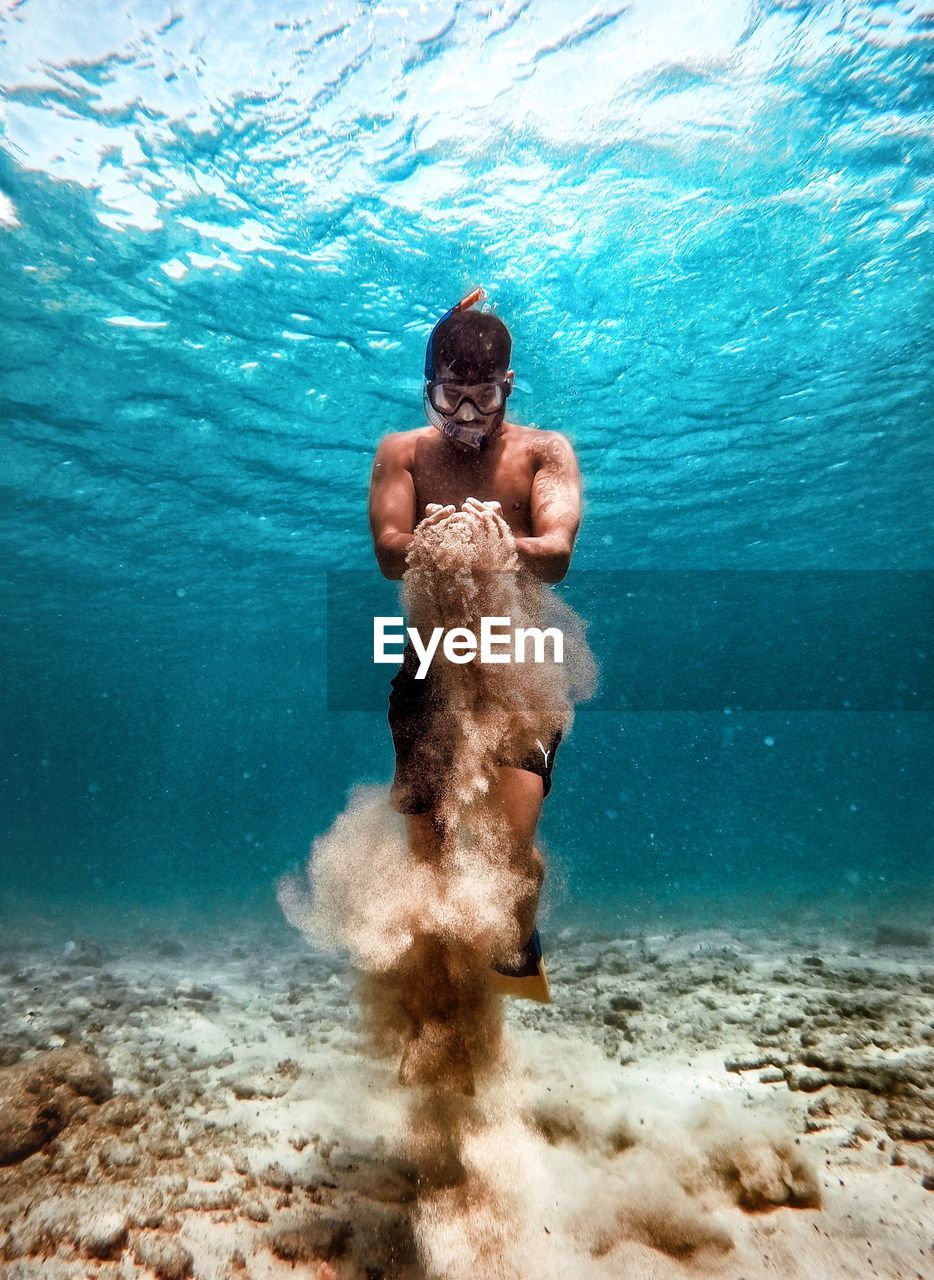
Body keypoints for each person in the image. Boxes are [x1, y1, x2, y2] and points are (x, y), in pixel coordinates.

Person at [367, 289, 581, 994]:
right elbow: (389, 551)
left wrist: (497, 544)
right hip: (429, 660)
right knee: (430, 846)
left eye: (482, 400)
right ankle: (442, 996)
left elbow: (556, 552)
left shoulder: (544, 454)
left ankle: (516, 940)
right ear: (426, 391)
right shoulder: (401, 453)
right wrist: (435, 543)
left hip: (522, 662)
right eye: (448, 399)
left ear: (507, 389)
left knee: (510, 843)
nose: (465, 418)